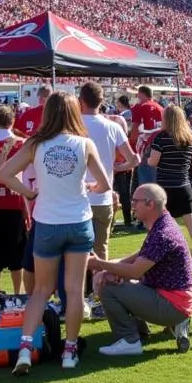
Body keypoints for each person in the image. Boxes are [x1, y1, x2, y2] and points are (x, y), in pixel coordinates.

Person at [0, 92, 111, 372]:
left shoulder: (36, 143)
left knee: (41, 291)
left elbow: (5, 174)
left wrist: (30, 193)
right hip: (78, 222)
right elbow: (105, 183)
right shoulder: (85, 144)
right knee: (73, 291)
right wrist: (88, 188)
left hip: (47, 221)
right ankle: (69, 351)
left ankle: (25, 348)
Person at [88, 184, 192, 356]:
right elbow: (140, 256)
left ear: (150, 204)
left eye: (135, 201)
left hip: (173, 305)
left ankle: (129, 340)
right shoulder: (164, 224)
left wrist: (101, 265)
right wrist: (109, 267)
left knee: (108, 288)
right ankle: (146, 330)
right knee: (117, 279)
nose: (132, 205)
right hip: (177, 300)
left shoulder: (162, 233)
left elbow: (134, 271)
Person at [79, 82, 138, 307]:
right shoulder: (112, 127)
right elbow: (133, 159)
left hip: (78, 198)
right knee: (100, 248)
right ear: (101, 101)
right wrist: (113, 169)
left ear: (81, 101)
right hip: (102, 197)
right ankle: (98, 295)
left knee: (75, 250)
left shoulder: (73, 125)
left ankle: (79, 296)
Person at [0, 105, 27, 295]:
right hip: (15, 205)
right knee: (17, 258)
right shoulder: (22, 144)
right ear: (13, 121)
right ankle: (18, 294)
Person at [148, 103, 192, 258]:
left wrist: (147, 157)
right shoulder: (189, 137)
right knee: (190, 221)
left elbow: (153, 161)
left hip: (165, 187)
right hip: (184, 184)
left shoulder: (161, 138)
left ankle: (166, 254)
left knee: (162, 223)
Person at [129, 85, 164, 193]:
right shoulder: (160, 108)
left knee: (145, 184)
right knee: (155, 180)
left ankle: (147, 205)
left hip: (145, 146)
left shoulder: (141, 106)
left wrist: (131, 145)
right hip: (159, 145)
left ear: (141, 94)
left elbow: (135, 128)